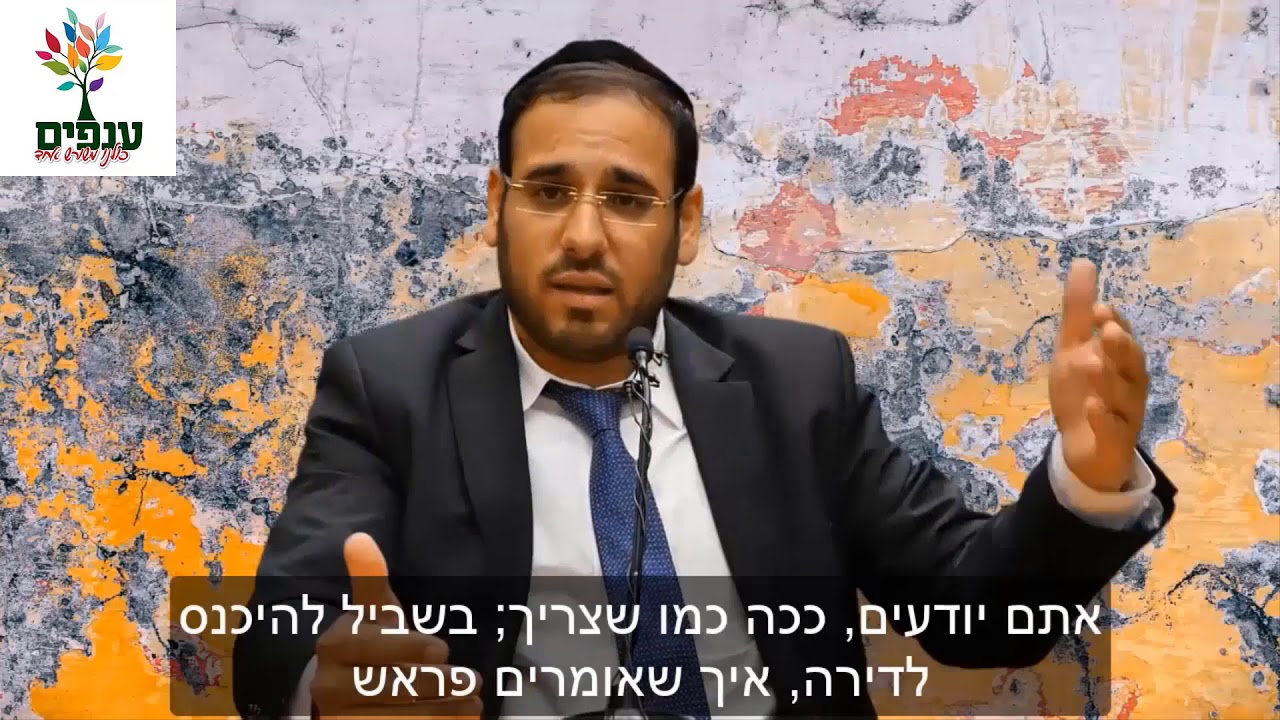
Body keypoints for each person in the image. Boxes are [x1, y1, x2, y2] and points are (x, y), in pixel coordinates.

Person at [231, 39, 1177, 720]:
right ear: (496, 205)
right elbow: (283, 631)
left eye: (627, 199)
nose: (584, 236)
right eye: (550, 192)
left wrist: (1088, 483)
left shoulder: (796, 385)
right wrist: (331, 686)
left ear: (685, 226)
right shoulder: (389, 387)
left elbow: (977, 619)